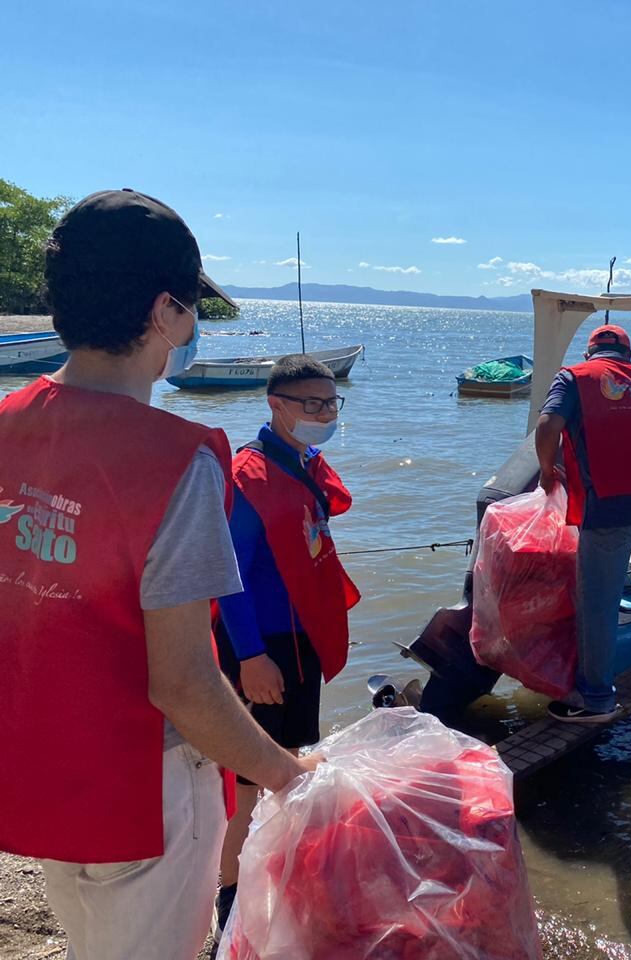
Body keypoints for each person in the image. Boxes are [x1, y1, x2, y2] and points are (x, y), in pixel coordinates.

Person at [0, 189, 321, 960]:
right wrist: (287, 775)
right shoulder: (179, 460)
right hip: (144, 785)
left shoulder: (9, 425)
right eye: (190, 308)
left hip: (41, 758)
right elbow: (182, 682)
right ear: (165, 312)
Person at [211, 354, 361, 939]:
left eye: (331, 402)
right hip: (262, 646)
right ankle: (230, 905)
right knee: (250, 777)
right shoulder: (247, 475)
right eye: (311, 404)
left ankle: (269, 875)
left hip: (301, 641)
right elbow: (228, 576)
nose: (324, 413)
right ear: (275, 404)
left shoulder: (302, 462)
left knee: (287, 763)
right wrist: (250, 657)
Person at [534, 324, 631, 723]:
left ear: (589, 354)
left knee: (598, 600)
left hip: (611, 505)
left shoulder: (574, 377)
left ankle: (596, 698)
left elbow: (548, 425)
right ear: (629, 357)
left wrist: (547, 471)